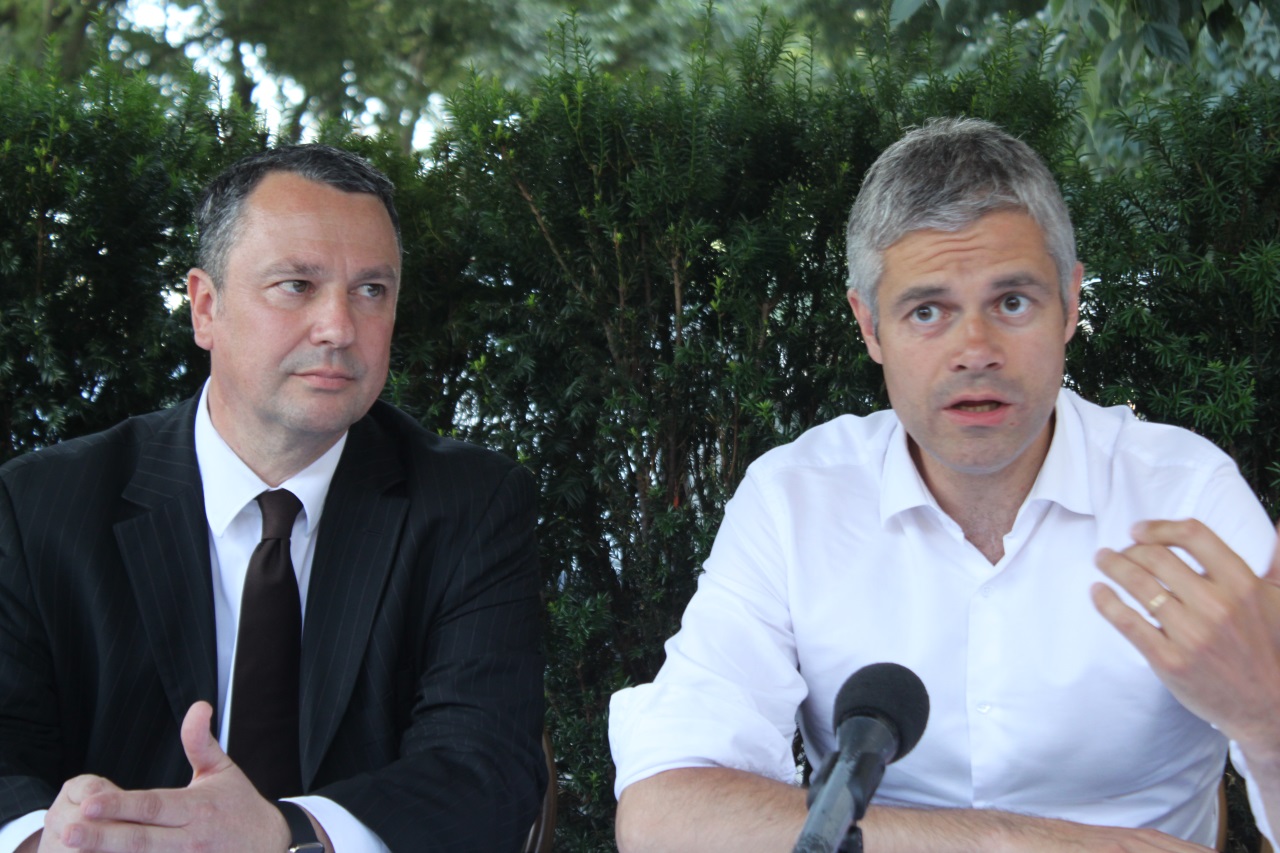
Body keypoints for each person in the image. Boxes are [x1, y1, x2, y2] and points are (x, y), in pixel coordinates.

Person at [608, 117, 1280, 852]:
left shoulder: (1187, 498)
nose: (976, 351)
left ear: (1071, 302)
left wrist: (1267, 718)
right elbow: (665, 812)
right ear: (869, 327)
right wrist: (1032, 844)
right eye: (927, 311)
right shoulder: (794, 500)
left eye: (1013, 302)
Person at [0, 144, 546, 853]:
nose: (339, 327)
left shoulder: (469, 505)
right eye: (296, 285)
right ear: (205, 307)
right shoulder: (41, 505)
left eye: (371, 290)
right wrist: (46, 840)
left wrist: (288, 832)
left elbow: (487, 772)